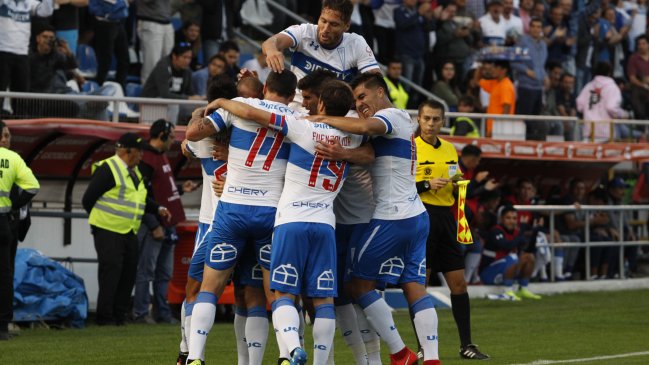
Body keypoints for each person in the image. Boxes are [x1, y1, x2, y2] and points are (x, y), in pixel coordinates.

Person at [210, 79, 366, 365]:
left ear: (320, 104)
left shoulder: (303, 127)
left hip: (291, 221)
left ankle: (293, 349)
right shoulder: (353, 138)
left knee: (282, 292)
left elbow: (254, 114)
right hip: (325, 224)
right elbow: (368, 149)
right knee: (323, 301)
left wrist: (222, 102)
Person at [309, 73, 439, 365]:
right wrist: (345, 152)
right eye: (355, 100)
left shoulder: (390, 115)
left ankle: (400, 352)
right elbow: (369, 152)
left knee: (357, 286)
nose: (360, 104)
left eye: (362, 97)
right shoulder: (403, 123)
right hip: (417, 216)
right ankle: (432, 359)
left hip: (392, 217)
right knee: (415, 287)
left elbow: (367, 126)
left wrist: (323, 119)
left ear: (380, 91)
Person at [184, 71, 302, 365]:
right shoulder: (297, 119)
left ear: (265, 88)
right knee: (271, 293)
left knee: (210, 288)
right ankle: (287, 353)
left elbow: (193, 134)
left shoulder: (234, 107)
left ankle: (195, 357)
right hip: (271, 213)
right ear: (292, 94)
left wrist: (215, 109)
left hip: (233, 208)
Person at [413, 100, 490, 361]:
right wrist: (425, 185)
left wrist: (459, 182)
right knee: (419, 285)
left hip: (446, 219)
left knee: (459, 283)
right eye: (427, 119)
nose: (431, 124)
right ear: (419, 120)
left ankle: (466, 345)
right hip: (422, 217)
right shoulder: (411, 148)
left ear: (443, 122)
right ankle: (423, 347)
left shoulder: (449, 149)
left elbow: (455, 177)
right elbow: (399, 185)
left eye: (436, 119)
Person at [82, 133, 170, 326]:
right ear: (127, 151)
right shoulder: (108, 168)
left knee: (128, 273)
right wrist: (100, 221)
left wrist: (158, 208)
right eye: (139, 152)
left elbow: (140, 198)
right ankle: (105, 318)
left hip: (129, 230)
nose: (142, 156)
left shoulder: (135, 171)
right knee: (111, 273)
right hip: (107, 230)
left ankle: (119, 317)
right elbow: (88, 199)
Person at [133, 120, 198, 324]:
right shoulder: (146, 159)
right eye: (171, 137)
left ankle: (162, 312)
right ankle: (141, 313)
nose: (173, 141)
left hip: (167, 223)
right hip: (155, 225)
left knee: (164, 272)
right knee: (147, 270)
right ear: (161, 135)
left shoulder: (159, 157)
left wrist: (180, 190)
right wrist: (153, 224)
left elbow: (161, 191)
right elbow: (141, 195)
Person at [262, 0, 381, 83]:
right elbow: (271, 42)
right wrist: (272, 51)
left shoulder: (356, 43)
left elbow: (375, 81)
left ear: (346, 26)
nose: (325, 29)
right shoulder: (304, 31)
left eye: (334, 24)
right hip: (297, 109)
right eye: (323, 21)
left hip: (334, 114)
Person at [0, 120, 40, 341]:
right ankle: (3, 327)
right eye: (4, 135)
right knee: (5, 275)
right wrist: (14, 205)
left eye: (9, 135)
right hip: (4, 222)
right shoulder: (13, 159)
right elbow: (33, 186)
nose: (7, 139)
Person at [0, 0, 53, 115]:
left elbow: (46, 11)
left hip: (22, 54)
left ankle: (20, 124)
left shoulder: (29, 3)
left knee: (22, 95)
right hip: (2, 51)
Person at [480, 206, 542, 300]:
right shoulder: (495, 231)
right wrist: (521, 232)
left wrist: (535, 232)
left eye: (514, 218)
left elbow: (528, 249)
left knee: (529, 257)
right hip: (488, 274)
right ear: (501, 219)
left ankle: (523, 288)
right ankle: (507, 291)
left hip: (505, 271)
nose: (511, 221)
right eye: (508, 218)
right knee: (513, 257)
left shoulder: (516, 232)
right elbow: (507, 246)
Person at [512, 17, 548, 141]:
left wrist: (546, 76)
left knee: (535, 119)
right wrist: (526, 71)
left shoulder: (543, 45)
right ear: (529, 28)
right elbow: (514, 62)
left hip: (539, 87)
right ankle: (520, 142)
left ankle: (532, 142)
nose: (536, 29)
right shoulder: (522, 42)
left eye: (539, 27)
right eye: (534, 26)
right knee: (524, 118)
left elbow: (541, 65)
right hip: (525, 86)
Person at [576, 61, 629, 142]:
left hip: (589, 132)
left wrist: (591, 110)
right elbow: (611, 107)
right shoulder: (612, 87)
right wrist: (623, 114)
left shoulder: (589, 86)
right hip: (606, 133)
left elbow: (579, 105)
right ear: (609, 73)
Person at [394, 0, 435, 92]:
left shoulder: (419, 13)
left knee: (418, 88)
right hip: (406, 54)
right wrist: (418, 13)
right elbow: (403, 24)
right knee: (406, 87)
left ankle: (415, 106)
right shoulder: (399, 11)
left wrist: (429, 17)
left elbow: (430, 28)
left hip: (419, 55)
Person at [89, 0, 129, 88]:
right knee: (105, 61)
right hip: (104, 25)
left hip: (119, 23)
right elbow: (104, 8)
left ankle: (121, 90)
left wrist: (120, 5)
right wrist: (122, 4)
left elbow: (122, 6)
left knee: (124, 60)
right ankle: (99, 90)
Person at [137, 0, 175, 85]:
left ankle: (165, 92)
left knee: (169, 62)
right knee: (152, 62)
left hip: (167, 21)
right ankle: (148, 94)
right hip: (150, 21)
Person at [479, 60, 515, 137]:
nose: (492, 70)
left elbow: (506, 109)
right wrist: (481, 67)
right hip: (492, 129)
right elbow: (477, 81)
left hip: (499, 131)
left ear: (504, 70)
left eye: (495, 67)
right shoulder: (495, 83)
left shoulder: (506, 86)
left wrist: (496, 128)